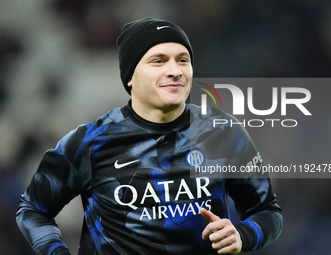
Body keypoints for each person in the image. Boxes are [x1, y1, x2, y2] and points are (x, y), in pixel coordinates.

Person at [16, 17, 283, 255]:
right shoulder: (88, 142)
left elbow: (268, 212)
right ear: (130, 76)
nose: (175, 71)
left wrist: (243, 235)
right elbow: (33, 210)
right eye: (158, 61)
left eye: (183, 60)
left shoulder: (222, 131)